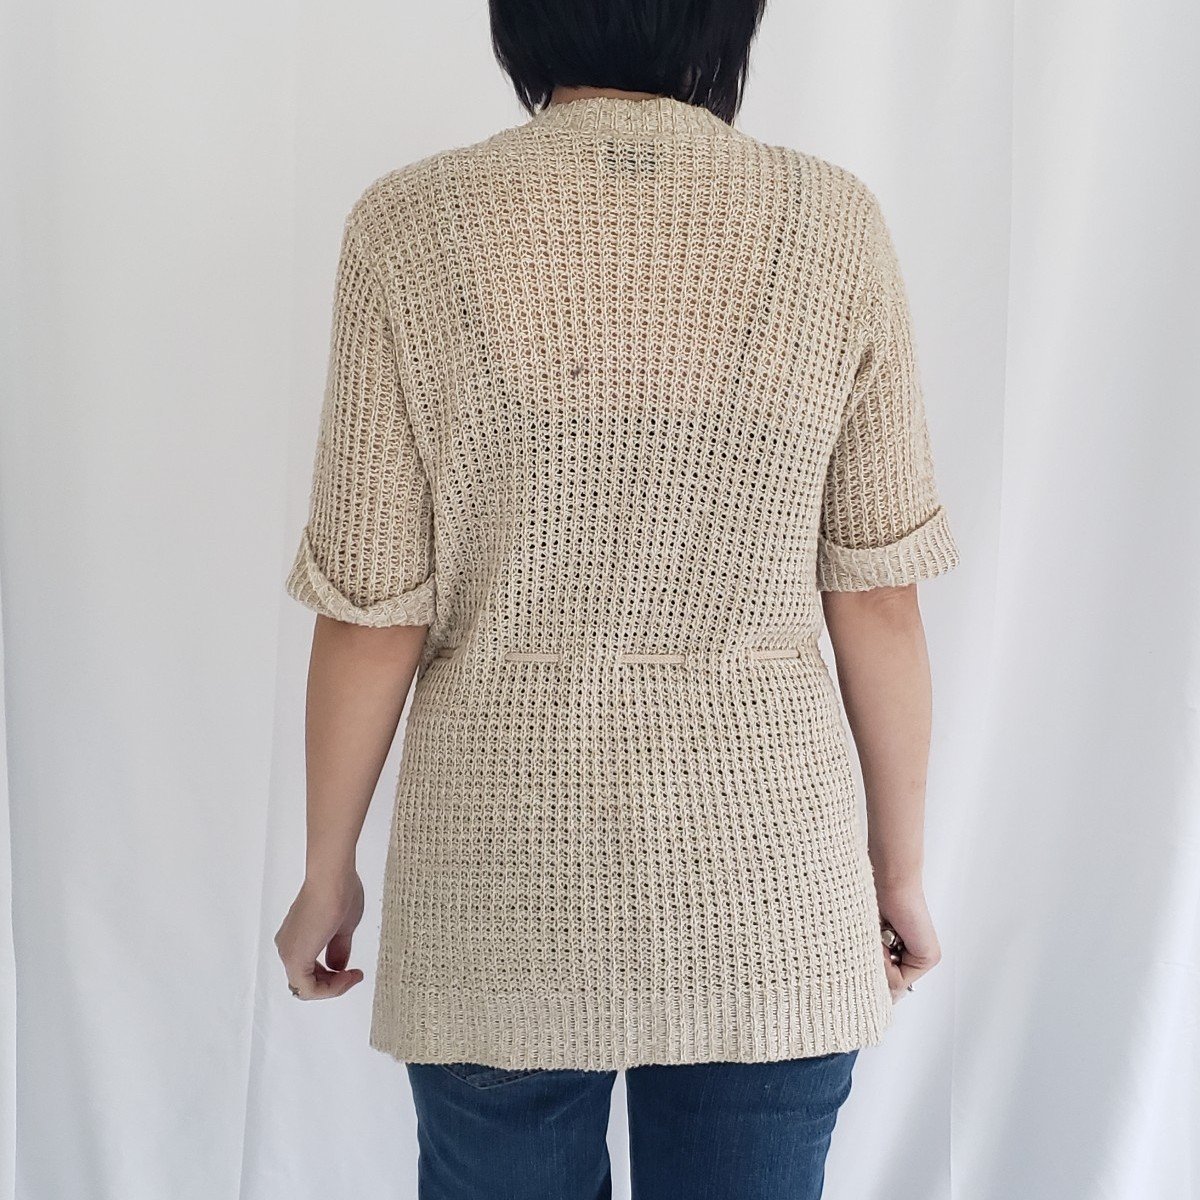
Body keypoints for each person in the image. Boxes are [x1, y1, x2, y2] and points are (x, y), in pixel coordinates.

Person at [273, 0, 961, 1195]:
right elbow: (878, 599)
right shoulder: (831, 223)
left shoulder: (409, 225)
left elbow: (371, 611)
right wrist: (896, 873)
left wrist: (326, 869)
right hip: (767, 891)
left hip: (495, 889)